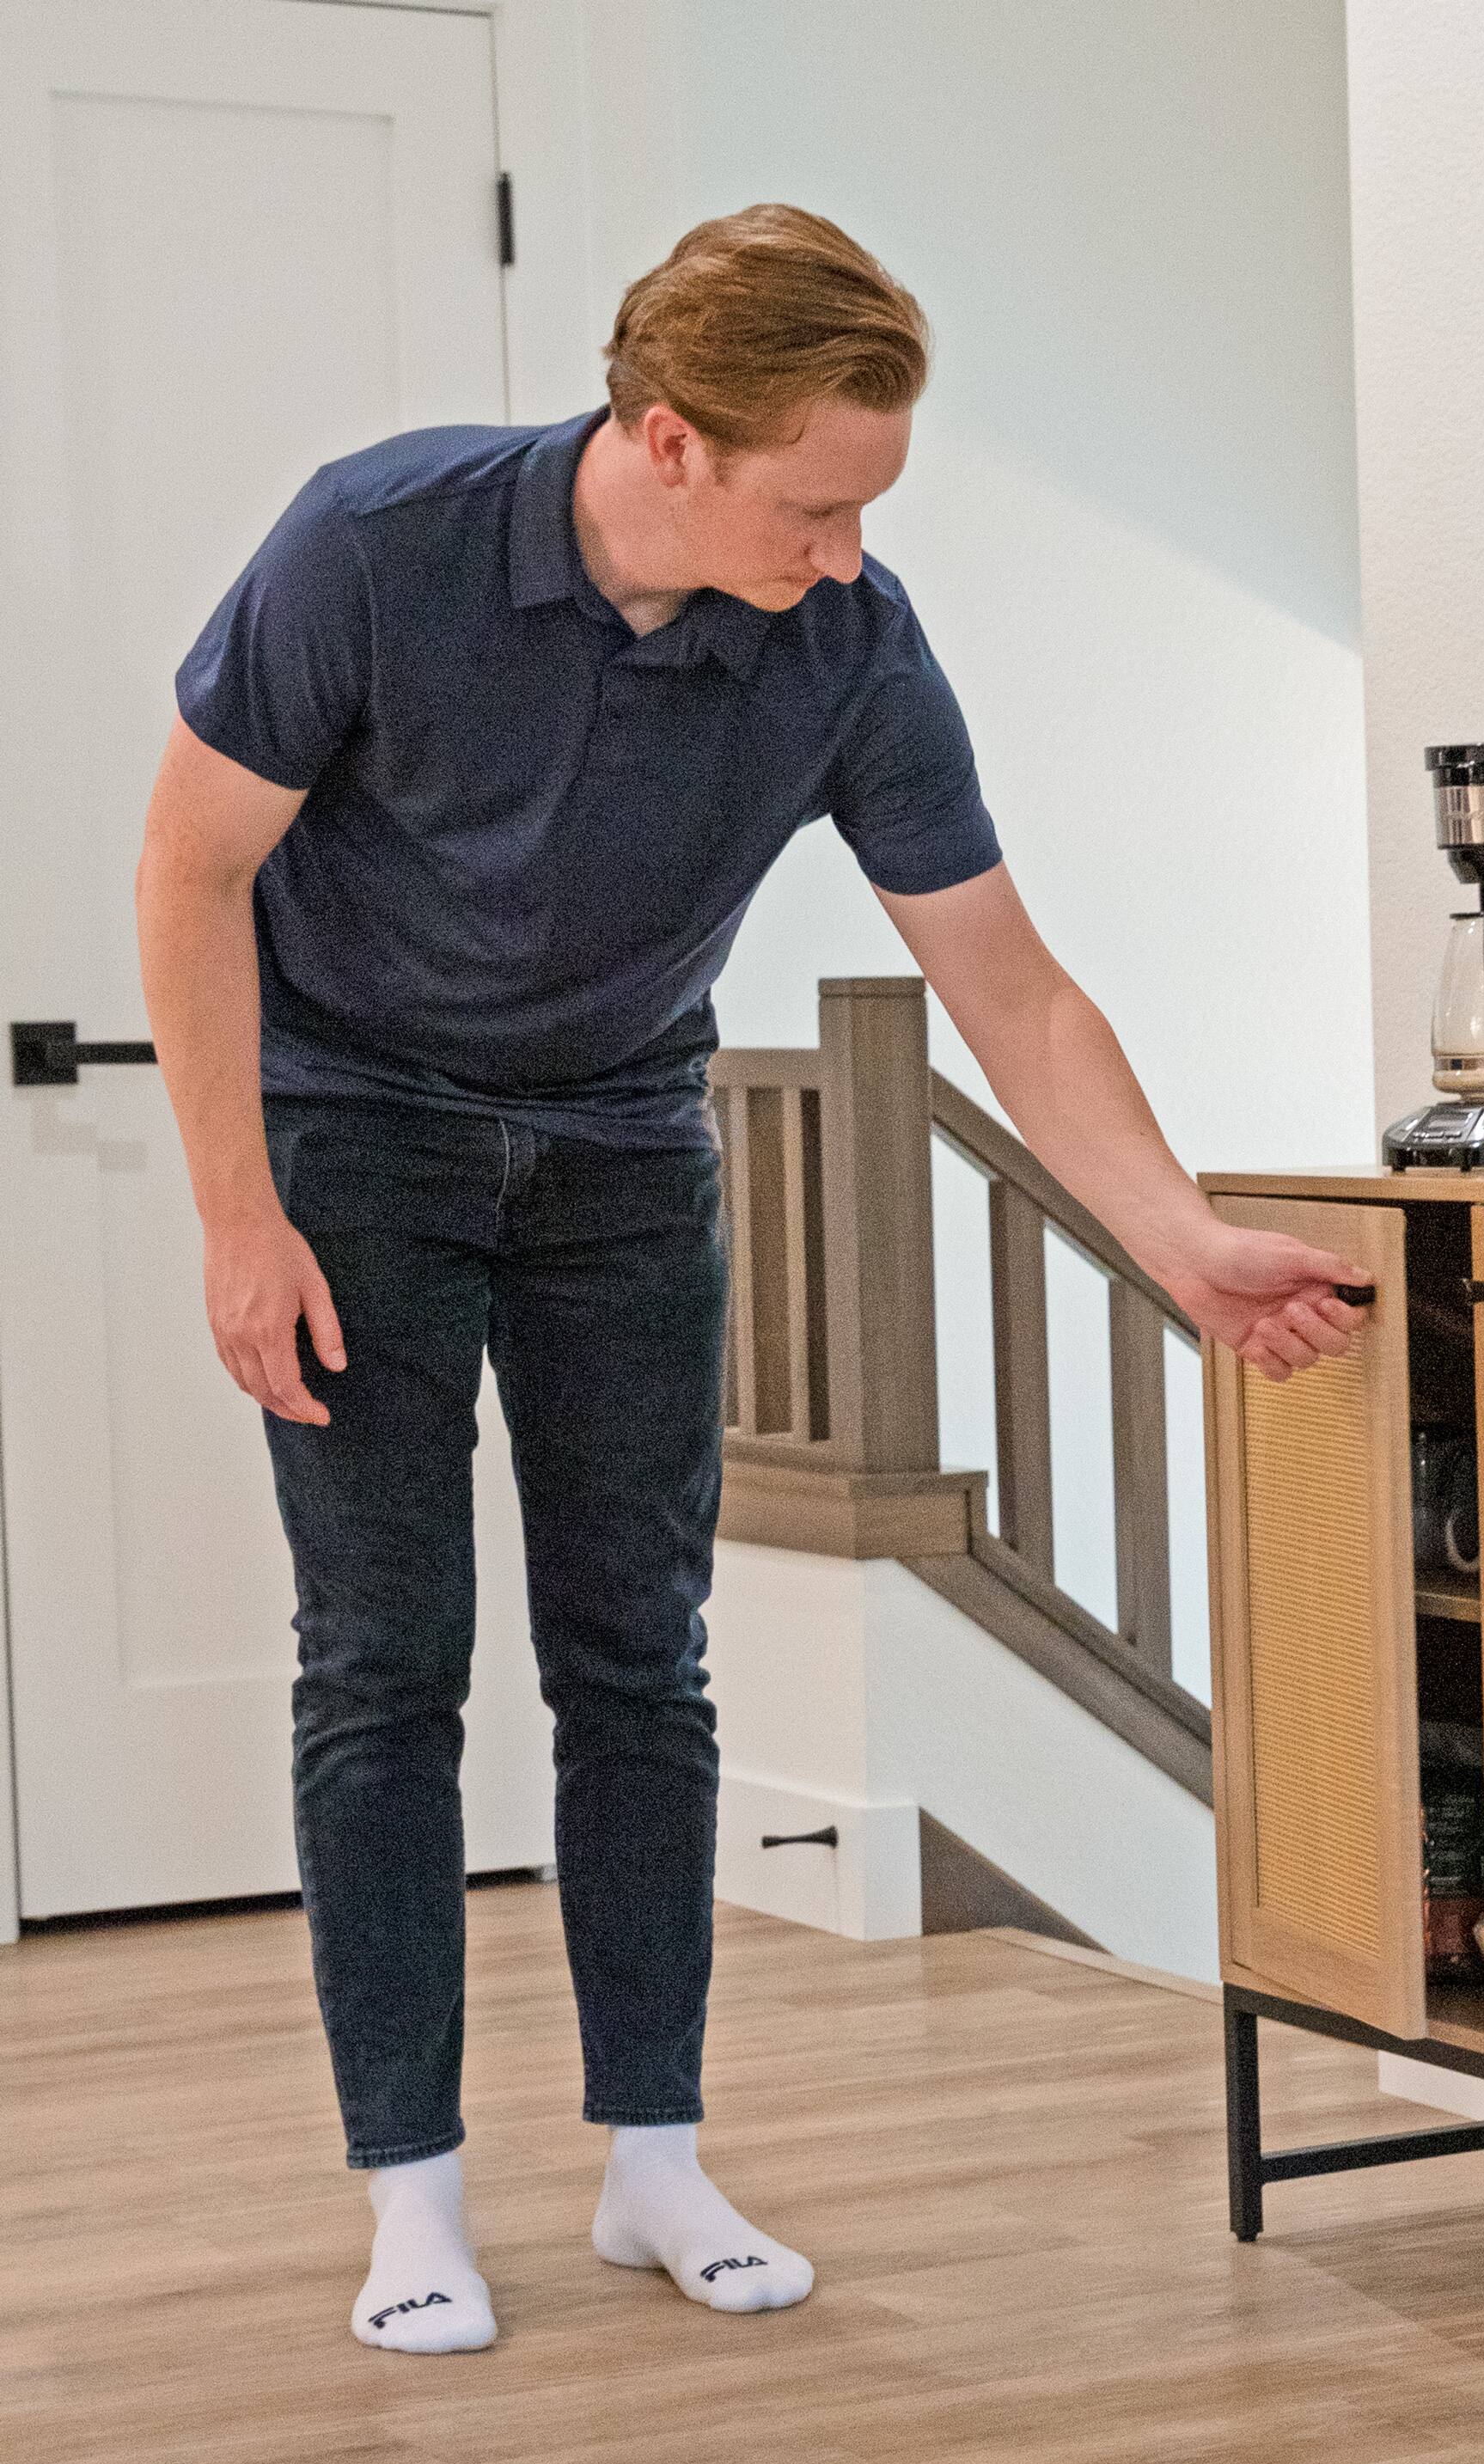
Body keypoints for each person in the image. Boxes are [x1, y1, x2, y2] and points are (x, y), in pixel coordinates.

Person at [134, 204, 1369, 2356]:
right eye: (816, 504)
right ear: (667, 438)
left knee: (642, 1663)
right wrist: (240, 1211)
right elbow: (190, 863)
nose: (851, 553)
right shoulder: (379, 543)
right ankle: (410, 2196)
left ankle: (651, 2160)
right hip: (357, 1140)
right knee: (383, 1663)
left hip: (621, 1142)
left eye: (873, 506)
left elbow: (1008, 982)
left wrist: (1174, 1243)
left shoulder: (844, 646)